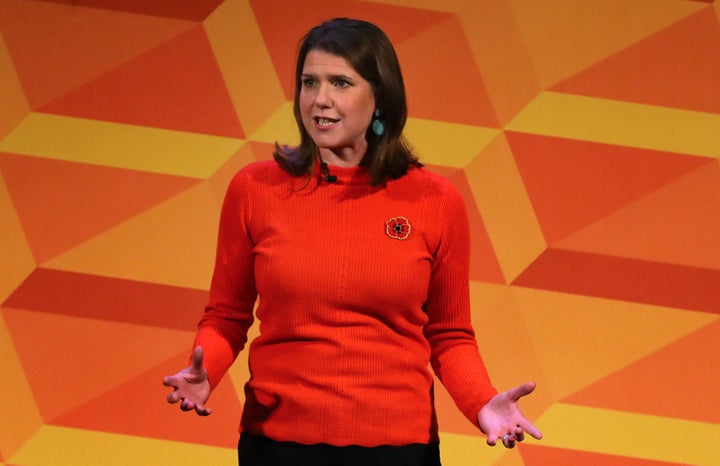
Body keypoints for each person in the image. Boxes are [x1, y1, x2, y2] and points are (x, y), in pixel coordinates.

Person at [163, 17, 542, 465]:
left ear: (379, 97)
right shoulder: (254, 190)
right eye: (309, 82)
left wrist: (481, 403)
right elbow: (226, 317)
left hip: (398, 450)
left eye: (340, 82)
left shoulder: (436, 201)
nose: (319, 99)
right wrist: (205, 370)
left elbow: (449, 335)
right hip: (277, 445)